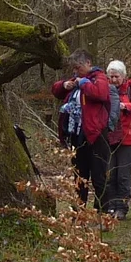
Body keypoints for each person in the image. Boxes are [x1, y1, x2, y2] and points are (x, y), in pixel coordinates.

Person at [51, 50, 115, 210]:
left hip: (96, 135)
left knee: (99, 176)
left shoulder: (99, 78)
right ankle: (79, 212)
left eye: (78, 67)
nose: (76, 71)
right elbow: (56, 90)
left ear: (88, 63)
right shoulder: (77, 79)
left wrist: (83, 83)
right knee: (80, 176)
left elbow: (100, 93)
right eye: (74, 68)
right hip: (77, 136)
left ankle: (103, 213)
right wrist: (64, 85)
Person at [104, 61, 131, 222]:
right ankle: (110, 206)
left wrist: (125, 106)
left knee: (123, 176)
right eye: (111, 76)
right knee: (110, 175)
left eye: (116, 76)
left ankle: (121, 208)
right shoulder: (105, 90)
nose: (114, 80)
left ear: (123, 76)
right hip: (109, 138)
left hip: (127, 140)